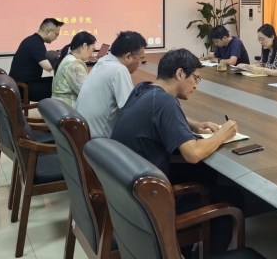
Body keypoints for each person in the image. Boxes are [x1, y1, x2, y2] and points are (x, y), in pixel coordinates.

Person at [111, 48, 239, 257]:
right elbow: (192, 154)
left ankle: (185, 244)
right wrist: (223, 134)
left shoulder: (143, 89)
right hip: (148, 201)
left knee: (206, 174)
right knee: (232, 197)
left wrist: (194, 124)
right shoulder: (167, 101)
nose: (196, 85)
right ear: (180, 74)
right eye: (196, 78)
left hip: (127, 191)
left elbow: (160, 113)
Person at [75, 31, 146, 138]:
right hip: (99, 141)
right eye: (140, 59)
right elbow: (131, 112)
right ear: (128, 56)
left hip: (82, 133)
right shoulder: (119, 70)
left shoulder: (103, 61)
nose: (140, 64)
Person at [9, 18, 64, 102]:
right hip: (24, 87)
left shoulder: (33, 40)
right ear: (48, 31)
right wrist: (64, 59)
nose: (56, 38)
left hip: (24, 83)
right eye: (56, 34)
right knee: (64, 86)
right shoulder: (35, 43)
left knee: (60, 81)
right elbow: (48, 67)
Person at [51, 31, 96, 106]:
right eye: (93, 49)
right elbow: (87, 93)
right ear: (85, 46)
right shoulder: (75, 64)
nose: (92, 54)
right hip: (69, 107)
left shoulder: (68, 58)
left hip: (59, 105)